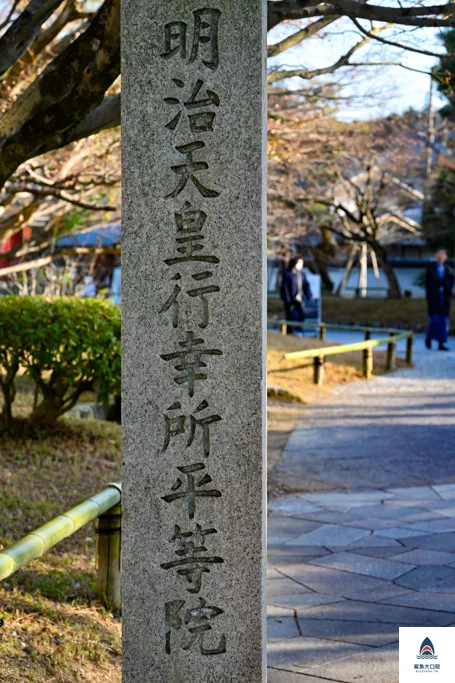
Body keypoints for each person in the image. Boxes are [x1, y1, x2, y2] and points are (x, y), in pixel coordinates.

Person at [425, 248, 454, 351]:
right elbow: (428, 285)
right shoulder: (431, 268)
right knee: (435, 320)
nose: (441, 256)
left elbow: (450, 283)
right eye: (439, 254)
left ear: (446, 257)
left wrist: (446, 284)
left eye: (443, 254)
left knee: (444, 321)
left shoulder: (449, 269)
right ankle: (429, 337)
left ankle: (441, 342)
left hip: (445, 298)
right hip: (434, 297)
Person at [280, 256, 313, 335]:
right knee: (290, 316)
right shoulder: (287, 273)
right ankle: (289, 332)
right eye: (300, 263)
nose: (302, 265)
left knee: (301, 315)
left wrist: (309, 295)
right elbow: (284, 287)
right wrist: (287, 299)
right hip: (290, 299)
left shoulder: (301, 274)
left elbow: (305, 285)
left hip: (299, 298)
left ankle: (299, 330)